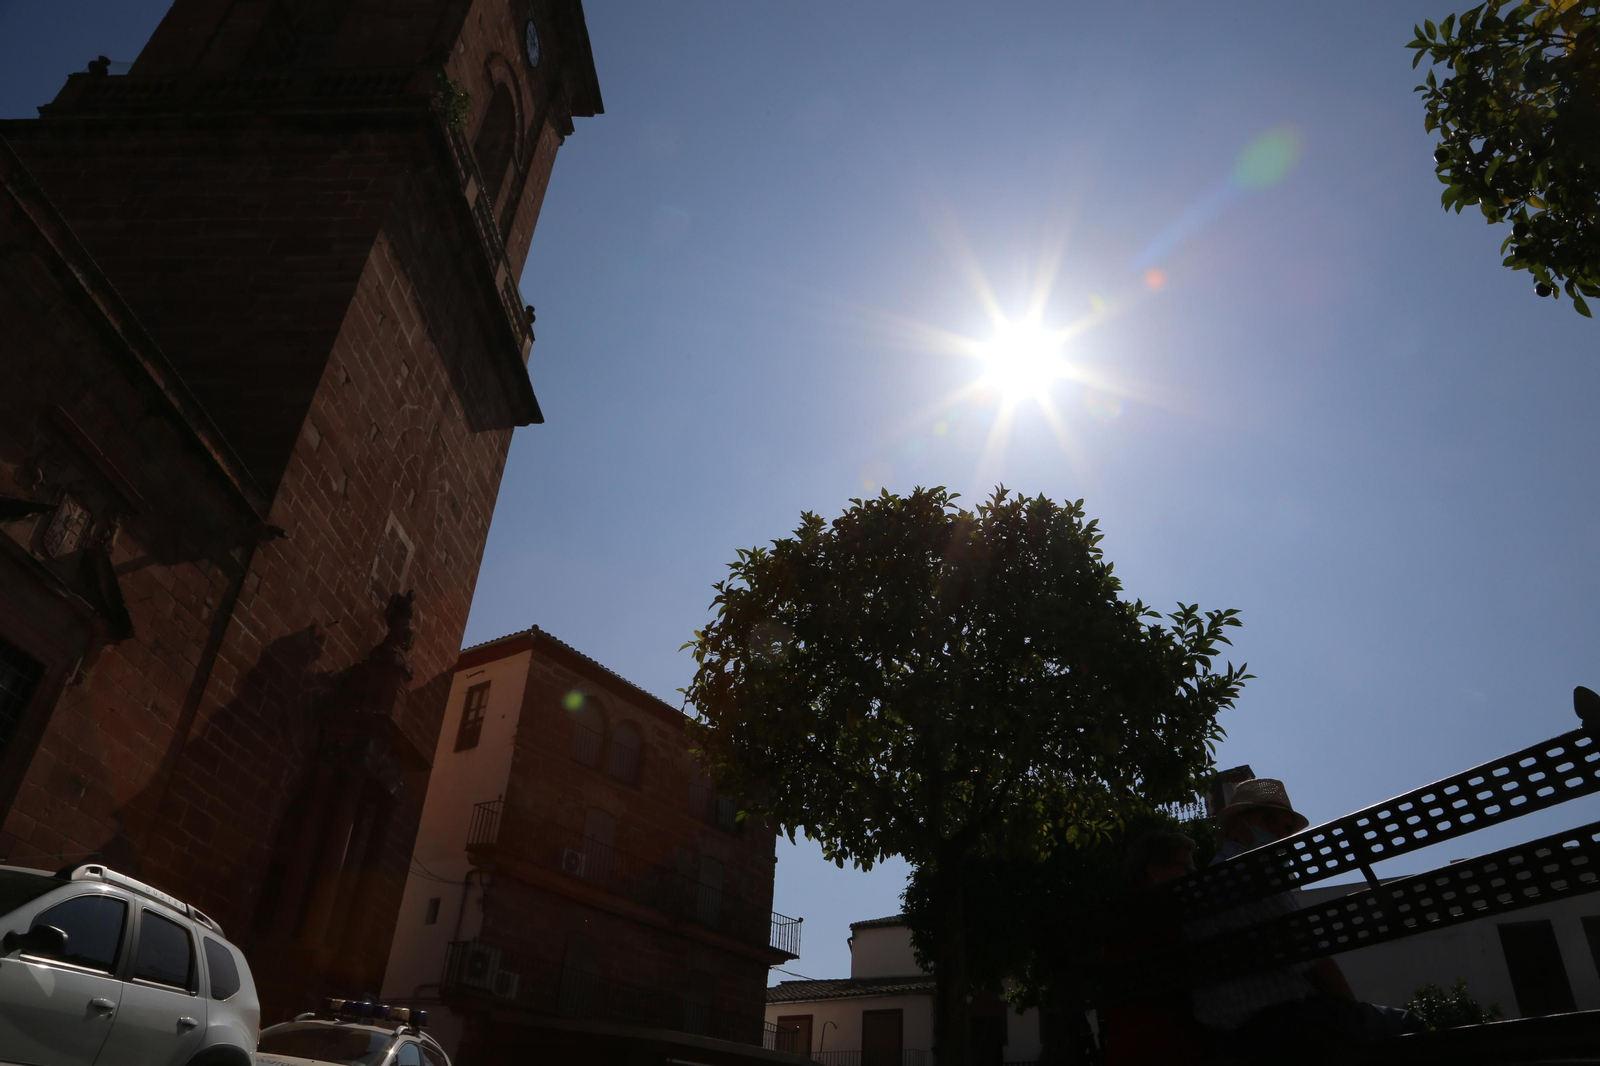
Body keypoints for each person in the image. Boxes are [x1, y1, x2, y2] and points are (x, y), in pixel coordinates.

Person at [1190, 778, 1424, 1057]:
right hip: (1279, 1027)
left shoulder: (1205, 882)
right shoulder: (1256, 873)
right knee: (1411, 1025)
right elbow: (1318, 966)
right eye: (1268, 819)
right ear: (1235, 826)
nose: (1279, 831)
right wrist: (1353, 1014)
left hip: (1222, 1034)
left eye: (1287, 827)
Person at [1101, 831, 1209, 1065]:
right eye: (1185, 869)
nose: (1192, 876)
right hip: (1171, 1043)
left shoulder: (1122, 917)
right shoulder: (1168, 915)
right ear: (1156, 871)